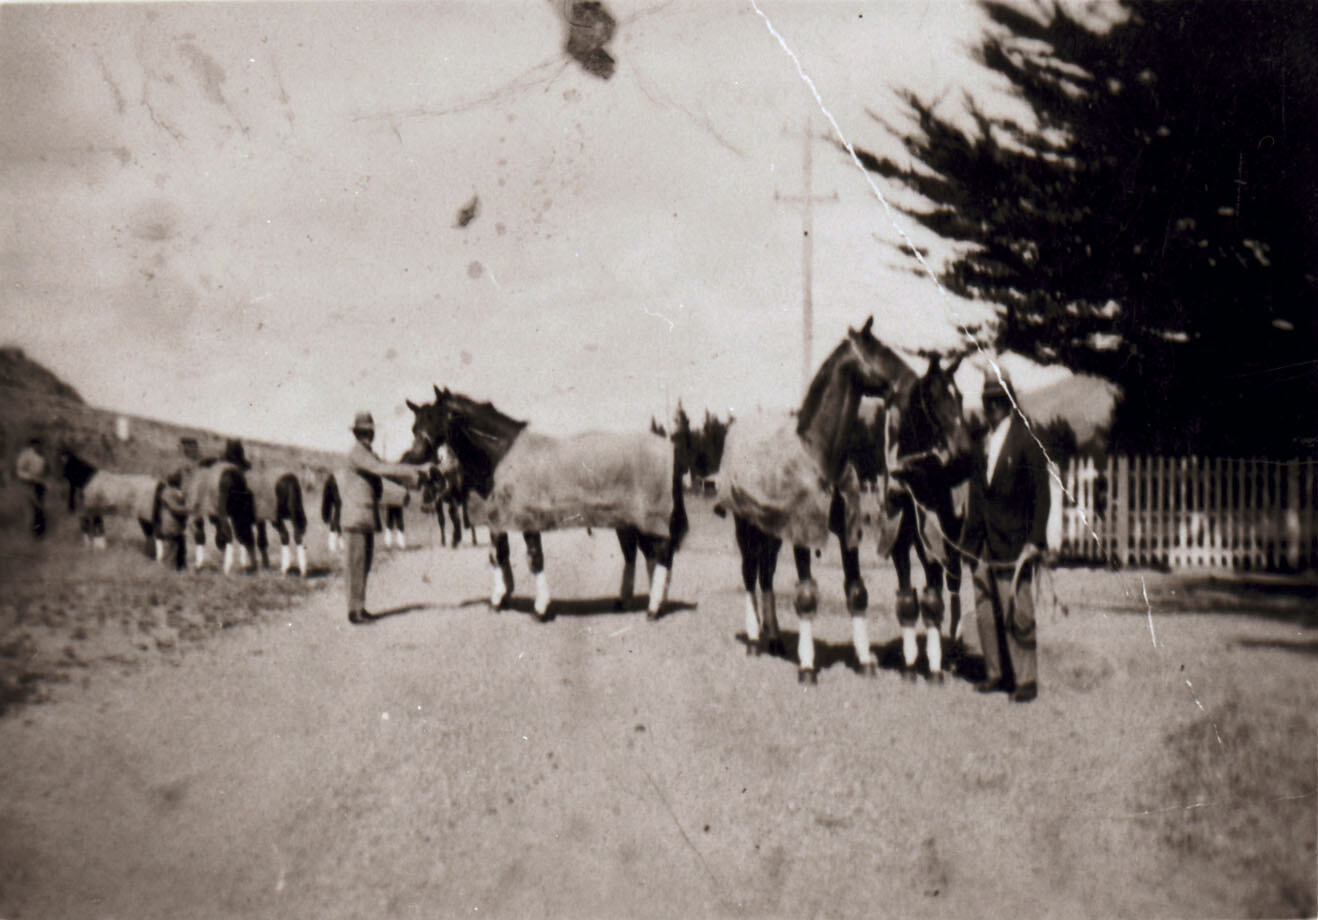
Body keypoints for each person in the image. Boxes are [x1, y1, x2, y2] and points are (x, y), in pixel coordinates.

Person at [959, 368, 1051, 703]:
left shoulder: (1026, 440)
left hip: (1014, 542)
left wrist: (1035, 540)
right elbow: (975, 493)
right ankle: (995, 674)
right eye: (987, 402)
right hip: (981, 541)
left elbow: (1042, 495)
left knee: (1018, 610)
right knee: (985, 610)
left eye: (998, 401)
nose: (992, 408)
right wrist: (969, 543)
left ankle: (1025, 680)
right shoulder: (981, 442)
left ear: (1010, 402)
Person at [341, 411, 424, 624]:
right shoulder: (359, 453)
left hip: (365, 518)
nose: (368, 435)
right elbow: (383, 469)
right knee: (357, 564)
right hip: (356, 518)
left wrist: (417, 476)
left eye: (370, 431)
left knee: (364, 564)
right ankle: (354, 611)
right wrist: (416, 470)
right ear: (358, 434)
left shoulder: (367, 454)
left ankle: (359, 607)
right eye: (364, 432)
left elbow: (386, 472)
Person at [156, 471, 190, 571]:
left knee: (180, 551)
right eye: (180, 479)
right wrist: (189, 509)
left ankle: (180, 572)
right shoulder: (168, 493)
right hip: (171, 527)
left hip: (177, 528)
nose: (181, 481)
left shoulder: (175, 492)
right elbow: (175, 508)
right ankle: (168, 574)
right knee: (170, 553)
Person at [15, 437, 48, 538]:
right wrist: (29, 478)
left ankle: (39, 532)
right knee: (32, 507)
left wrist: (43, 481)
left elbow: (44, 471)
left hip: (39, 484)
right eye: (37, 445)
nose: (39, 447)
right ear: (32, 445)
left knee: (40, 507)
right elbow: (19, 470)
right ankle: (32, 532)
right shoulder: (25, 455)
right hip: (28, 484)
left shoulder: (42, 456)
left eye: (40, 445)